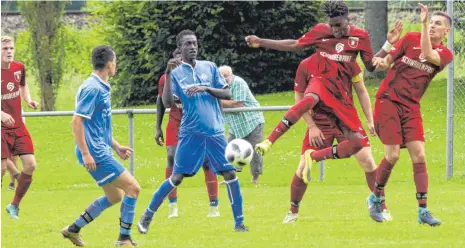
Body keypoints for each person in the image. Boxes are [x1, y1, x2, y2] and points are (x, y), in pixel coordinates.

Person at [138, 30, 248, 234]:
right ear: (179, 48)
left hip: (215, 132)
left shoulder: (210, 67)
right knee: (177, 177)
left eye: (194, 43)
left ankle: (239, 224)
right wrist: (169, 74)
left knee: (230, 173)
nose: (192, 47)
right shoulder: (176, 73)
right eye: (187, 44)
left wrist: (205, 89)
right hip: (191, 134)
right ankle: (147, 215)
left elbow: (227, 92)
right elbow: (167, 102)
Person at [367, 5, 453, 226]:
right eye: (431, 22)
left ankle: (423, 212)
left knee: (419, 156)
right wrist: (387, 46)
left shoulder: (445, 54)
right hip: (388, 101)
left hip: (411, 107)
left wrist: (423, 24)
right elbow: (383, 64)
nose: (433, 25)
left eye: (438, 24)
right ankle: (375, 198)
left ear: (447, 32)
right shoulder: (409, 38)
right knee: (393, 155)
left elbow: (427, 54)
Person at [282, 55, 392, 224]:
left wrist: (370, 119)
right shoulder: (306, 65)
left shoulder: (349, 62)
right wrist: (311, 126)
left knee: (368, 162)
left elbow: (361, 91)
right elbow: (299, 100)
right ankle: (292, 211)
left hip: (346, 120)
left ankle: (381, 206)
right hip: (320, 122)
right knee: (304, 166)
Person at [62, 45, 140, 247]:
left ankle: (73, 229)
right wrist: (87, 153)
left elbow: (96, 125)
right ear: (110, 63)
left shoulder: (100, 86)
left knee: (115, 196)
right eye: (116, 62)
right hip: (95, 152)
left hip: (99, 149)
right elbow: (76, 122)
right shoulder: (93, 88)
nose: (116, 66)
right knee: (133, 188)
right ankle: (124, 239)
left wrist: (116, 146)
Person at [155, 48, 220, 218]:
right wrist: (157, 127)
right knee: (172, 157)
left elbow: (214, 99)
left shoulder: (200, 74)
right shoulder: (166, 79)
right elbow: (162, 103)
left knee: (207, 160)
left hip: (199, 122)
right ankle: (172, 206)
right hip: (176, 123)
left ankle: (214, 206)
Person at [1, 35, 39, 219]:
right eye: (4, 48)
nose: (9, 51)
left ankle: (14, 205)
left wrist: (29, 100)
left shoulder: (19, 67)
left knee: (31, 165)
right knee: (1, 168)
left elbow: (23, 86)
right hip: (1, 127)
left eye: (11, 48)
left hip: (18, 125)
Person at [219, 65, 265, 184]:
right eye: (221, 77)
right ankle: (231, 178)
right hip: (236, 125)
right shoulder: (219, 87)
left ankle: (255, 179)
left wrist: (218, 101)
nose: (224, 79)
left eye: (226, 76)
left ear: (231, 75)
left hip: (252, 121)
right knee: (229, 150)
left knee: (255, 151)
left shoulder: (238, 83)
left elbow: (238, 105)